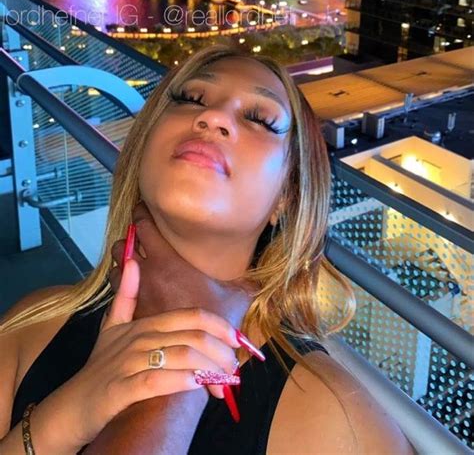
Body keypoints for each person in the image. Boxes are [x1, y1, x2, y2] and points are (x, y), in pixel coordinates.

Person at [0, 44, 414, 454]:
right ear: (143, 147)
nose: (212, 116)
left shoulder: (337, 423)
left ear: (286, 197)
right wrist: (67, 415)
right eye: (190, 98)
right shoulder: (28, 325)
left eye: (261, 119)